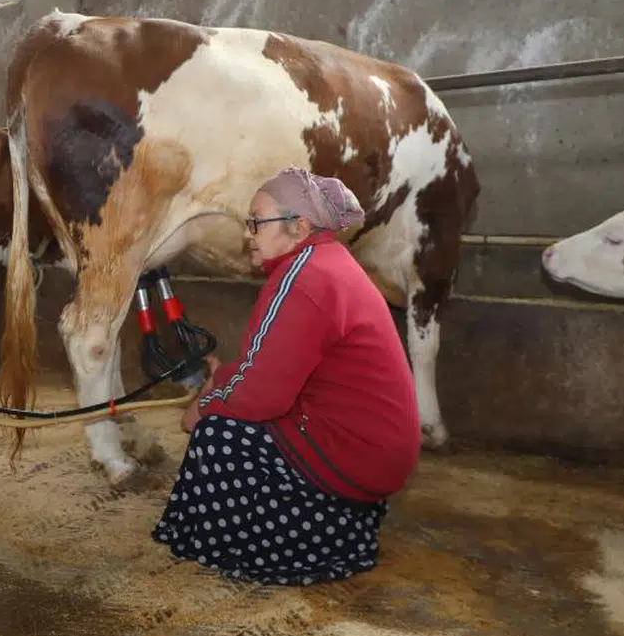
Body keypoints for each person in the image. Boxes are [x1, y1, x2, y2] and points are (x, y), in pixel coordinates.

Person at [151, 166, 421, 586]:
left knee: (219, 434)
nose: (248, 234)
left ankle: (262, 549)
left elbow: (262, 396)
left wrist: (204, 407)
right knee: (228, 412)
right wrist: (222, 381)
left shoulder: (303, 278)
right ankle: (332, 533)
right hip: (370, 455)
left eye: (257, 222)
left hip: (355, 455)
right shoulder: (325, 262)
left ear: (298, 227)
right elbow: (268, 366)